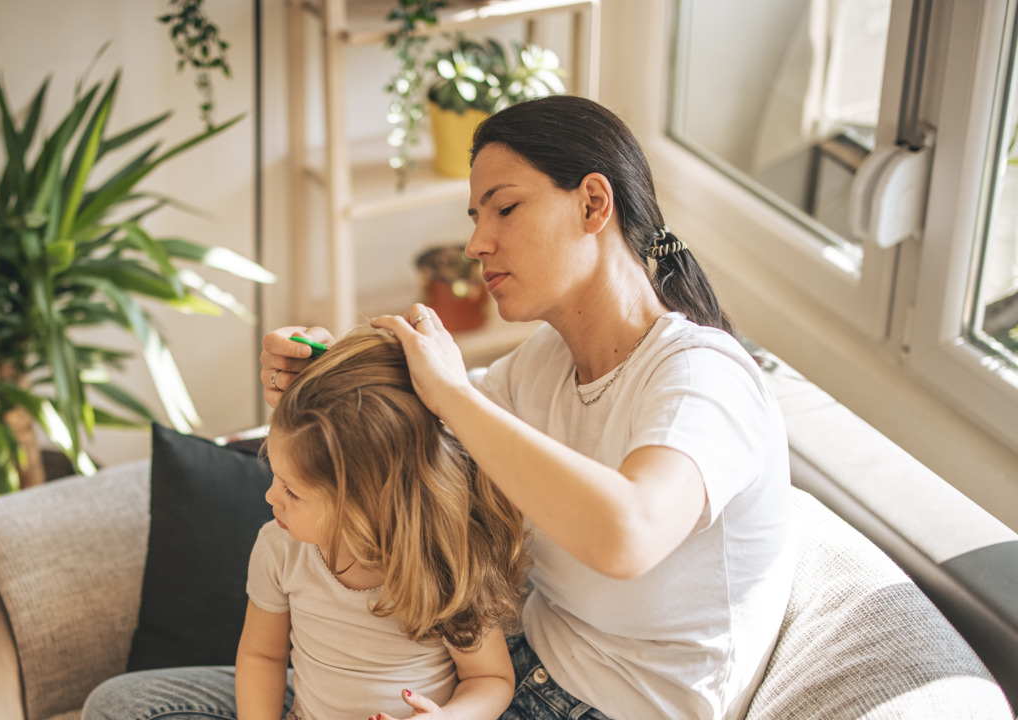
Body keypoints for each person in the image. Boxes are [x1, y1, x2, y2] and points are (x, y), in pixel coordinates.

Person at [263, 95, 794, 720]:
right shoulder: (543, 363)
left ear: (594, 203)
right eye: (474, 216)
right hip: (510, 666)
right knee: (140, 702)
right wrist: (319, 386)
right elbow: (405, 443)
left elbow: (627, 534)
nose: (476, 243)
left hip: (606, 706)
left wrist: (456, 395)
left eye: (505, 208)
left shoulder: (704, 376)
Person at [240, 328, 528, 720]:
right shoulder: (279, 549)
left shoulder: (445, 565)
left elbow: (491, 679)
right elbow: (262, 655)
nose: (270, 497)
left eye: (292, 491)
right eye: (275, 475)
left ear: (368, 507)